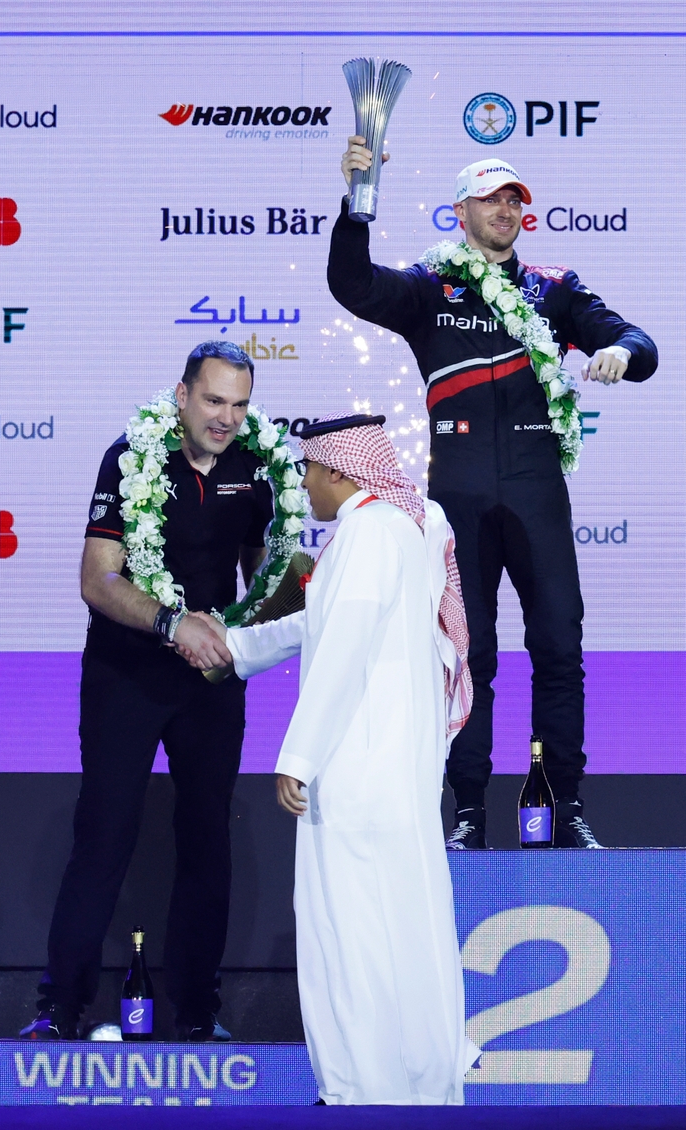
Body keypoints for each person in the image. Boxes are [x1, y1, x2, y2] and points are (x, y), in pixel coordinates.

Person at [328, 145, 657, 848]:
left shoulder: (553, 288)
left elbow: (639, 341)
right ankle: (470, 811)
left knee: (560, 649)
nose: (506, 209)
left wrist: (622, 354)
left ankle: (562, 807)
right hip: (460, 497)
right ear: (461, 212)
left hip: (538, 494)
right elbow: (352, 285)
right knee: (465, 656)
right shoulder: (429, 286)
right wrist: (358, 197)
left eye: (514, 199)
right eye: (491, 199)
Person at [224, 413, 481, 1105]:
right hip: (394, 774)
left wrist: (298, 754)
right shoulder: (400, 528)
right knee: (404, 928)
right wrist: (234, 647)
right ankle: (419, 1086)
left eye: (309, 470)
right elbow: (322, 624)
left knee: (351, 933)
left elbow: (341, 649)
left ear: (340, 470)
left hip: (358, 771)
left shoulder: (368, 532)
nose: (303, 486)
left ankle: (359, 1091)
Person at [23, 342, 272, 1040]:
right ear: (183, 394)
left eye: (239, 404)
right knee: (103, 835)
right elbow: (97, 578)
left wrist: (268, 625)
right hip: (126, 673)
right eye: (214, 400)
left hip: (210, 684)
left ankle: (198, 1013)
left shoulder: (255, 466)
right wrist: (172, 623)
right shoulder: (129, 455)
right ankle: (61, 1010)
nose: (226, 418)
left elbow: (261, 566)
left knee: (207, 840)